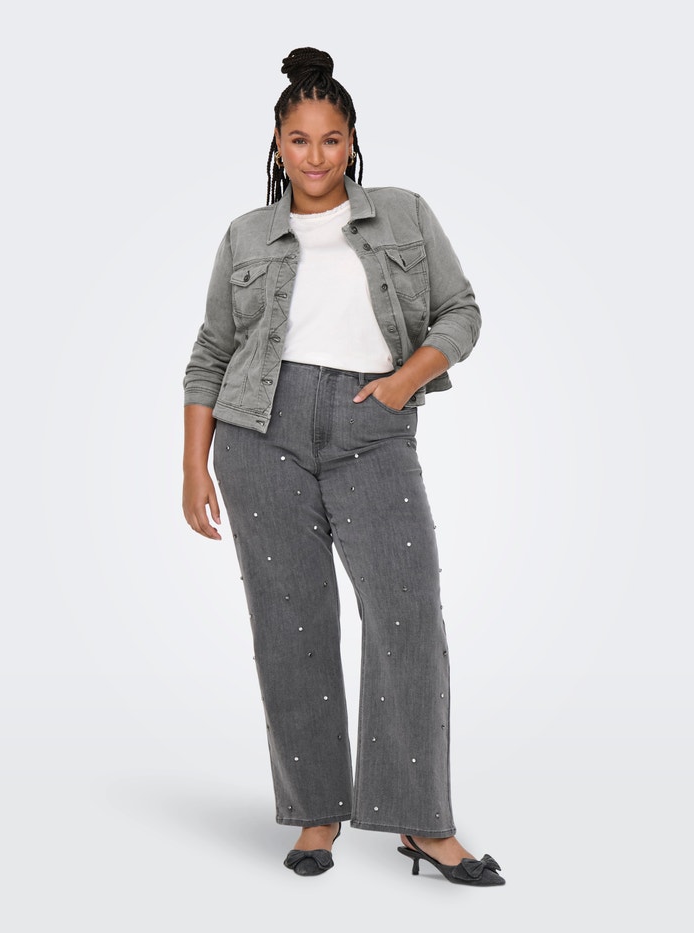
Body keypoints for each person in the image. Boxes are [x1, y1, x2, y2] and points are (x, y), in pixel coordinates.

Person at [182, 47, 505, 886]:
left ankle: (422, 822)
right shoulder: (247, 234)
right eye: (299, 139)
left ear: (353, 140)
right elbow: (212, 351)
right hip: (260, 431)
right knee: (291, 625)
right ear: (277, 143)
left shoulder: (403, 213)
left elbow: (460, 311)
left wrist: (401, 382)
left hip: (374, 427)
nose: (316, 156)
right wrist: (193, 466)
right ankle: (317, 812)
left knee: (407, 616)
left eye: (331, 139)